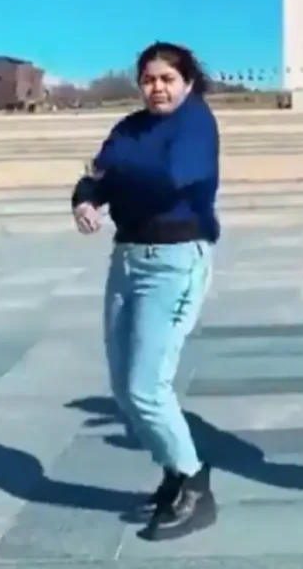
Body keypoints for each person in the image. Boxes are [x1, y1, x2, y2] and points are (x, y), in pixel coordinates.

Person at [71, 42, 220, 541]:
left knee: (147, 386)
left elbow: (169, 180)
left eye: (167, 79)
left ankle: (194, 483)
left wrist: (109, 173)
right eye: (149, 79)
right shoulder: (130, 128)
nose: (157, 88)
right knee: (123, 386)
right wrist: (86, 198)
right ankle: (174, 474)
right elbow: (92, 180)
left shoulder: (196, 124)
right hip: (128, 259)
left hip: (174, 263)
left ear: (187, 83)